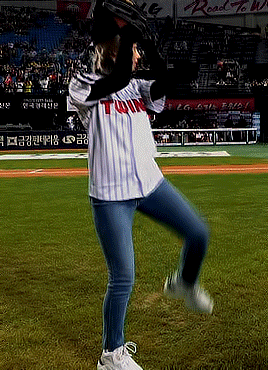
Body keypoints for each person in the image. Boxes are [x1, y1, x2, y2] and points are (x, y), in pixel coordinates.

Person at [68, 1, 214, 369]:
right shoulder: (84, 84)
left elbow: (166, 80)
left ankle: (184, 282)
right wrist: (128, 31)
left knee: (198, 233)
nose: (138, 57)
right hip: (110, 196)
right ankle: (110, 355)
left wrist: (147, 39)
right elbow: (114, 80)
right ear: (115, 49)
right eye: (133, 51)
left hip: (150, 184)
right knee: (123, 277)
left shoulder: (138, 87)